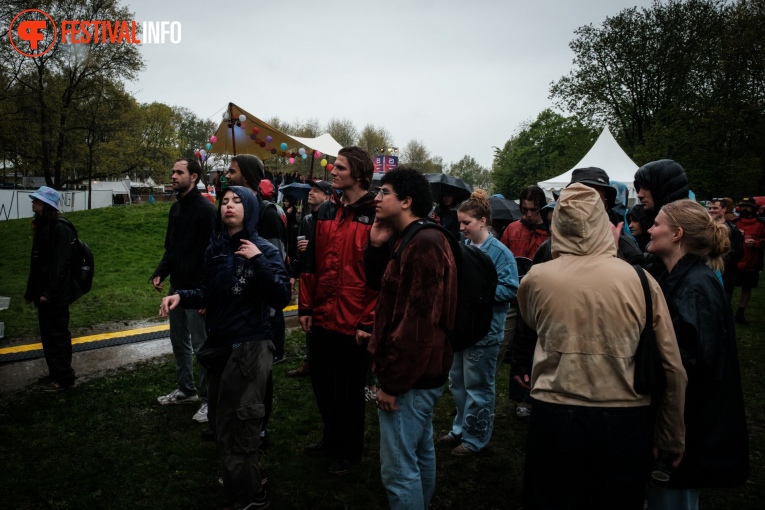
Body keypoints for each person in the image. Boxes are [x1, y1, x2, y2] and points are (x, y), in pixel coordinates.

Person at [518, 183, 688, 510]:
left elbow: (532, 322)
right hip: (623, 419)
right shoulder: (640, 280)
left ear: (558, 223)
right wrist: (670, 438)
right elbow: (672, 368)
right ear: (602, 221)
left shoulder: (536, 278)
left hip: (554, 413)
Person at [159, 186, 291, 510]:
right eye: (224, 201)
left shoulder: (262, 249)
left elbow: (282, 297)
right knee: (221, 423)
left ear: (249, 208)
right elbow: (206, 292)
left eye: (236, 201)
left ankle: (247, 497)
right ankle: (246, 488)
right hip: (221, 349)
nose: (228, 206)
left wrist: (258, 261)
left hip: (250, 348)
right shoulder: (215, 249)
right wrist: (182, 297)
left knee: (241, 426)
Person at [364, 167, 458, 509]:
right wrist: (376, 246)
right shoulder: (409, 237)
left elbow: (416, 325)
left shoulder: (426, 243)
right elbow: (382, 288)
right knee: (418, 452)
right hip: (417, 374)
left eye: (384, 192)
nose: (376, 198)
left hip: (411, 378)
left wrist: (392, 383)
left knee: (400, 469)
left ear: (406, 201)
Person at [646, 199, 749, 509]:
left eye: (657, 224)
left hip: (688, 432)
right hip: (683, 428)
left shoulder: (695, 287)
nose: (650, 229)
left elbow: (691, 368)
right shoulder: (683, 277)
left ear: (677, 234)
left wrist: (671, 437)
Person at [298, 146, 379, 474]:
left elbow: (379, 276)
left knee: (349, 391)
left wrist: (368, 322)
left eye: (340, 168)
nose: (333, 171)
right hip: (322, 315)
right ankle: (331, 437)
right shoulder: (325, 211)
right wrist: (306, 305)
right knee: (322, 382)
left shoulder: (375, 214)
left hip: (353, 320)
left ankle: (349, 451)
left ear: (358, 174)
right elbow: (312, 262)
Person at [438, 189, 518, 456]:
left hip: (485, 332)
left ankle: (476, 438)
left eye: (466, 223)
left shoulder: (500, 253)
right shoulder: (466, 248)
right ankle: (460, 429)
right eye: (460, 223)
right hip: (462, 330)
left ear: (482, 221)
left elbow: (510, 288)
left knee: (479, 387)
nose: (461, 228)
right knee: (458, 383)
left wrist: (478, 296)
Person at [224, 154, 289, 448]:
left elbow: (277, 263)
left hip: (262, 309)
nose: (227, 174)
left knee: (261, 374)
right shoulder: (230, 210)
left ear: (247, 176)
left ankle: (259, 426)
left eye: (232, 170)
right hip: (236, 307)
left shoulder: (268, 213)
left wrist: (272, 307)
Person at [151, 158, 216, 423]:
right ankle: (186, 389)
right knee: (179, 341)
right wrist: (160, 271)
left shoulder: (206, 210)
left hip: (198, 291)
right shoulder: (176, 209)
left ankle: (210, 400)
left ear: (195, 177)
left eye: (180, 172)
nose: (174, 176)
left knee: (202, 347)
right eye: (173, 171)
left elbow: (214, 255)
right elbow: (172, 247)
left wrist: (208, 293)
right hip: (176, 288)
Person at [24, 186, 79, 391]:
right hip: (44, 293)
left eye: (36, 201)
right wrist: (32, 291)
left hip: (54, 295)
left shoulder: (59, 228)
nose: (33, 203)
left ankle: (65, 379)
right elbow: (38, 262)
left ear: (46, 205)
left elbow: (60, 265)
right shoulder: (44, 226)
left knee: (57, 335)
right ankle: (56, 373)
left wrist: (49, 293)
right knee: (48, 335)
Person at [287, 179, 332, 378]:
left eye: (317, 191)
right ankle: (310, 361)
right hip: (307, 276)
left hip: (326, 278)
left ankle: (324, 362)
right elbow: (299, 249)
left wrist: (314, 248)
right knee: (308, 319)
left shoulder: (333, 219)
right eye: (311, 190)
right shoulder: (306, 220)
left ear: (328, 197)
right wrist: (293, 275)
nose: (311, 193)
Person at [633, 159, 689, 276]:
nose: (639, 194)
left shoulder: (691, 238)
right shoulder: (651, 222)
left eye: (645, 187)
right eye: (639, 188)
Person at [732, 197, 765, 324]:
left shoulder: (761, 224)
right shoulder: (734, 222)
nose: (745, 209)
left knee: (747, 288)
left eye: (748, 206)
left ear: (754, 208)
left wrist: (756, 243)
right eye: (743, 206)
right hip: (734, 262)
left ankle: (740, 312)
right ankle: (726, 310)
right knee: (729, 287)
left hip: (752, 262)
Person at [708, 198, 743, 308]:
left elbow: (738, 252)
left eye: (715, 208)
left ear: (724, 209)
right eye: (710, 208)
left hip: (726, 275)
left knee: (724, 307)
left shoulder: (732, 229)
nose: (711, 210)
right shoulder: (706, 228)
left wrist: (718, 257)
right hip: (707, 273)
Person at [499, 185, 550, 259]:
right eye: (525, 209)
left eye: (533, 210)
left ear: (542, 207)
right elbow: (501, 257)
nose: (529, 214)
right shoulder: (512, 229)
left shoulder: (551, 231)